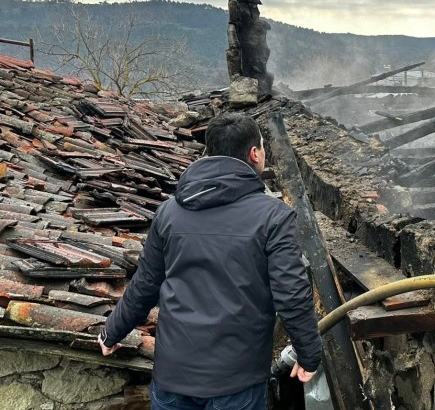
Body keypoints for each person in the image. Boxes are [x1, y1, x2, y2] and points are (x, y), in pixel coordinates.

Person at [99, 112, 322, 409]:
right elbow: (291, 294)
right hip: (237, 382)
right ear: (254, 154)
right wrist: (309, 354)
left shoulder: (169, 212)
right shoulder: (274, 218)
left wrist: (112, 331)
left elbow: (146, 283)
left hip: (172, 377)